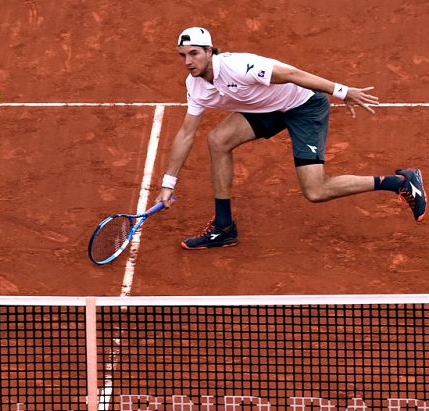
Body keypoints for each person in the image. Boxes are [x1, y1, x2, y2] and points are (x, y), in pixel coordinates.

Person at [157, 27, 426, 249]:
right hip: (268, 108)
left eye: (194, 54)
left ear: (209, 51)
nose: (189, 62)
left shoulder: (240, 66)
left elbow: (294, 75)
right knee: (218, 140)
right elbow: (185, 133)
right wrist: (169, 183)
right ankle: (223, 227)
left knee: (315, 190)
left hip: (304, 106)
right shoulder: (196, 85)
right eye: (183, 56)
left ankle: (401, 182)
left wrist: (343, 92)